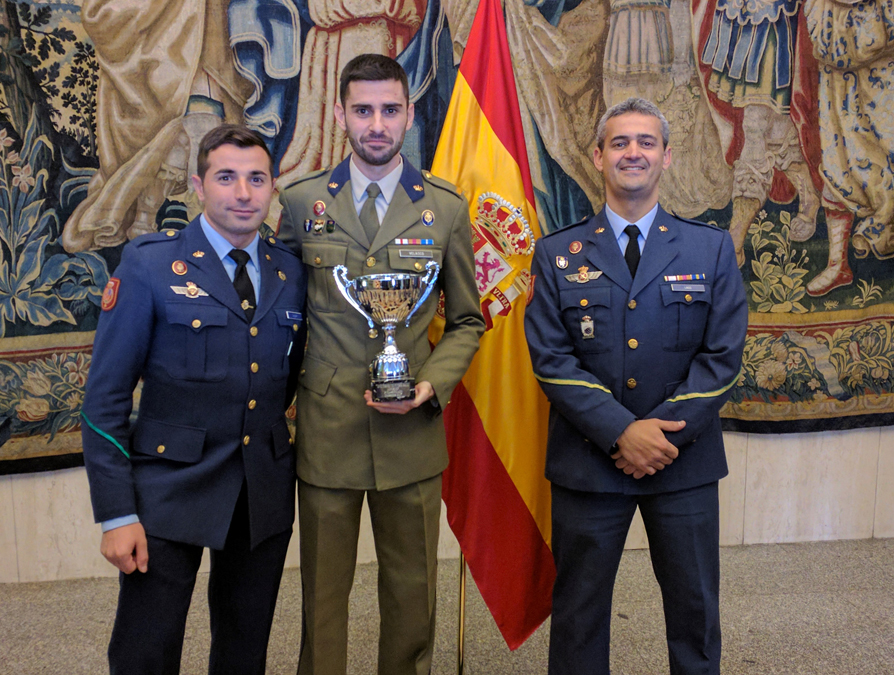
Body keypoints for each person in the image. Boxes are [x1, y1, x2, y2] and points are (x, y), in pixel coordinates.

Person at [524, 97, 748, 675]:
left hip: (684, 461)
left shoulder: (710, 248)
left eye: (646, 142)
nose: (633, 153)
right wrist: (622, 432)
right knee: (578, 614)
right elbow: (551, 359)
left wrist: (658, 436)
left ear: (667, 157)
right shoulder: (555, 255)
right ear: (597, 156)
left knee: (694, 613)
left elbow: (722, 357)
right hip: (589, 462)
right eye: (620, 142)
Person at [277, 54, 484, 675]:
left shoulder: (443, 209)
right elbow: (283, 315)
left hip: (411, 428)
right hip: (328, 427)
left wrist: (430, 384)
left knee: (412, 591)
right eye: (363, 110)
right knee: (322, 596)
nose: (377, 124)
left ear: (409, 114)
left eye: (389, 110)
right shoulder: (301, 202)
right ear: (340, 112)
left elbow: (469, 319)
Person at [80, 124, 307, 675]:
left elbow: (292, 378)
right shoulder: (150, 264)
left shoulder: (290, 272)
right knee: (146, 649)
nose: (243, 192)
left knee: (244, 649)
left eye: (256, 178)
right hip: (168, 487)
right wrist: (116, 513)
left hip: (261, 489)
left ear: (273, 186)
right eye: (226, 177)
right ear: (198, 185)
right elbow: (104, 399)